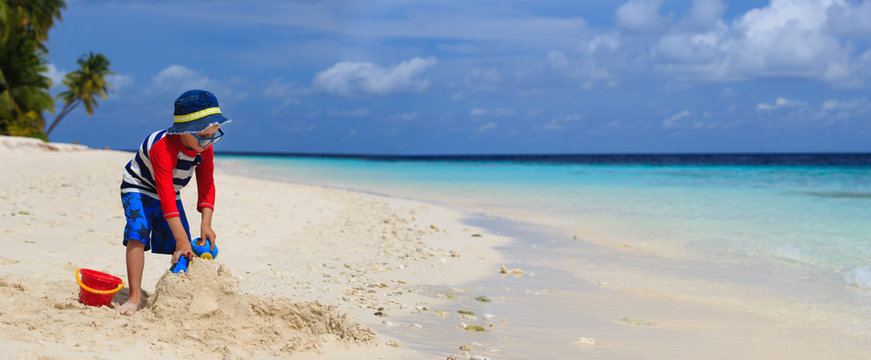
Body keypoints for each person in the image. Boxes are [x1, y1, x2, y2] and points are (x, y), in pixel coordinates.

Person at [115, 89, 231, 315]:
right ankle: (134, 296)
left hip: (171, 191)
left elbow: (207, 186)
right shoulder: (163, 148)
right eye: (203, 136)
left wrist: (206, 224)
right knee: (137, 232)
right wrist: (182, 240)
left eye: (214, 136)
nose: (208, 143)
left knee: (184, 245)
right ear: (183, 130)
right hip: (139, 186)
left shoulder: (204, 149)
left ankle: (179, 292)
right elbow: (165, 196)